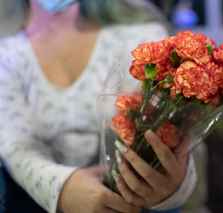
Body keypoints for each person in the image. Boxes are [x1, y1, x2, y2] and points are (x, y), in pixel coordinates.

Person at [0, 0, 198, 212]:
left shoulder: (139, 38)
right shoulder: (7, 53)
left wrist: (170, 188)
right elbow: (14, 146)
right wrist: (62, 189)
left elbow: (170, 142)